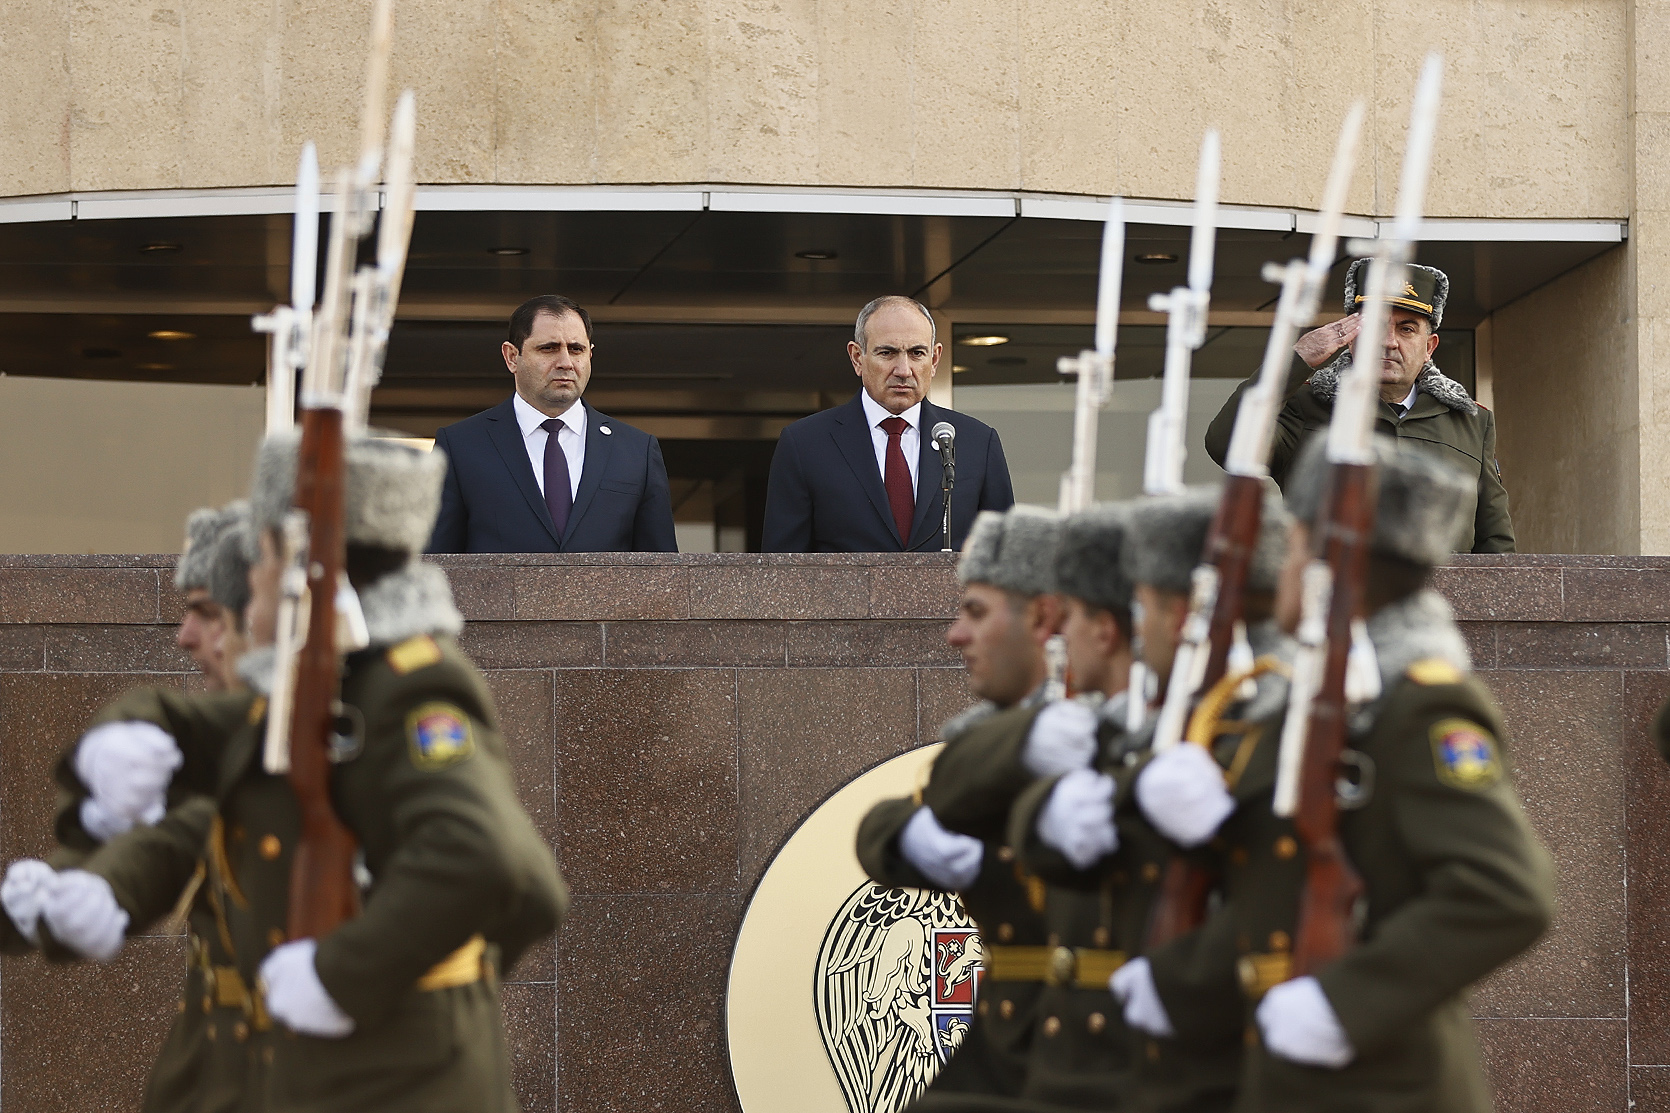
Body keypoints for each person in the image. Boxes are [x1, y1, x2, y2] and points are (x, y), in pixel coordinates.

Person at [35, 433, 568, 1111]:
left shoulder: (406, 688)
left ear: (296, 569)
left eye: (259, 558)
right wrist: (133, 729)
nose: (250, 583)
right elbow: (212, 729)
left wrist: (347, 975)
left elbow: (496, 862)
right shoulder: (322, 687)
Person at [1129, 440, 1553, 1111]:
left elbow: (1504, 893)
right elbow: (1280, 888)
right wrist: (1181, 979)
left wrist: (1344, 1002)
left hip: (1385, 1086)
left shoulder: (1420, 705)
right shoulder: (1308, 702)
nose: (1285, 567)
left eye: (1297, 546)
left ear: (1330, 566)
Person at [1001, 491, 1292, 1112]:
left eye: (1142, 606)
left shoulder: (1271, 724)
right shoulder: (1149, 724)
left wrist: (1185, 976)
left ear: (1181, 617)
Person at [0, 503, 255, 1112]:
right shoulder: (244, 735)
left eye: (207, 614)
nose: (185, 636)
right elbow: (177, 831)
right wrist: (67, 895)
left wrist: (339, 973)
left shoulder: (360, 727)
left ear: (264, 620)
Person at [854, 506, 1061, 1105]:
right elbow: (886, 826)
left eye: (977, 611)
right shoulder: (989, 741)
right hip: (1006, 1040)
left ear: (1042, 617)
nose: (956, 635)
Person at [1203, 261, 1514, 553]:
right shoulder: (1305, 404)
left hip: (1440, 591)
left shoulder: (1471, 420)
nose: (1389, 342)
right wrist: (1293, 364)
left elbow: (1495, 540)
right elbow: (1228, 446)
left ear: (1429, 347)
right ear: (1351, 340)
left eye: (1406, 329)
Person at [427, 293, 677, 553]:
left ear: (590, 355)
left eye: (576, 349)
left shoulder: (637, 451)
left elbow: (664, 568)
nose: (566, 363)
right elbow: (435, 564)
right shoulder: (461, 446)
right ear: (512, 357)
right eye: (548, 348)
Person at [762, 296, 1014, 552]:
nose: (903, 370)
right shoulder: (805, 444)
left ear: (935, 359)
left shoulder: (977, 442)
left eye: (917, 353)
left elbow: (1007, 557)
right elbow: (781, 565)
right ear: (857, 358)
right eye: (887, 353)